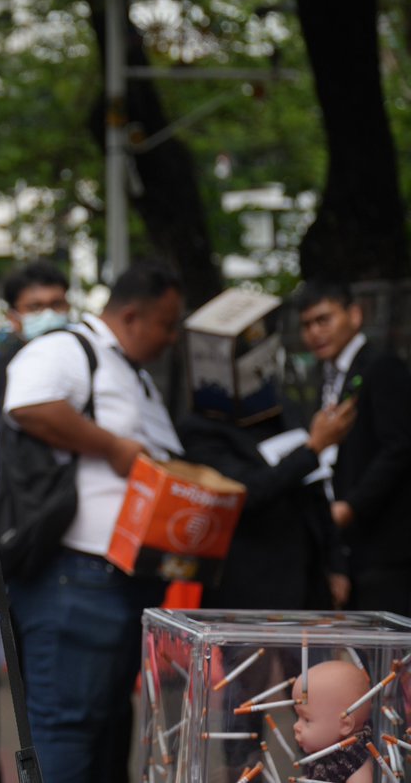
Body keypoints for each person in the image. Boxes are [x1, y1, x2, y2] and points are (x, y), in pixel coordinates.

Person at [2, 258, 185, 783]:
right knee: (67, 730)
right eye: (166, 324)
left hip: (118, 579)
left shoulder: (129, 369)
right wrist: (112, 448)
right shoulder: (69, 348)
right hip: (76, 578)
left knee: (105, 728)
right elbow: (29, 403)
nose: (171, 338)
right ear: (131, 316)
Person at [179, 338, 356, 610]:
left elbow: (314, 487)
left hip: (307, 578)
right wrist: (312, 449)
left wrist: (336, 563)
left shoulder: (279, 407)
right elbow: (245, 492)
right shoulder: (201, 427)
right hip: (250, 585)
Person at [296, 280, 411, 615]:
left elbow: (400, 447)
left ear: (354, 315)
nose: (315, 332)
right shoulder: (328, 375)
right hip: (351, 545)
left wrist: (351, 506)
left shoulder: (381, 366)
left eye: (323, 320)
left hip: (386, 545)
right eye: (306, 325)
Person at [0, 260, 69, 413]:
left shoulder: (90, 361)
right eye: (35, 307)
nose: (48, 315)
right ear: (13, 318)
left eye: (57, 304)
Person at [290, 660, 374, 783]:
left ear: (345, 725)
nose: (296, 726)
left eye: (307, 719)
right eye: (298, 717)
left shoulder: (355, 765)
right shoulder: (323, 753)